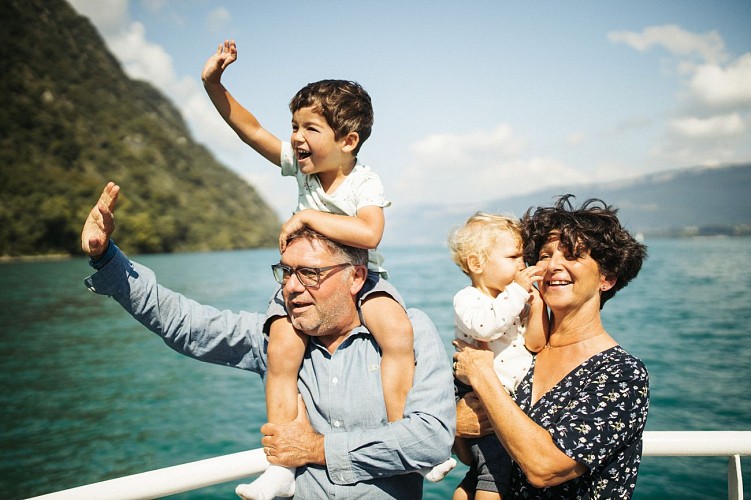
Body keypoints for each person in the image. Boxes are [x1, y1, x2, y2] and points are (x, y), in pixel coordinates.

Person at [80, 182, 455, 499]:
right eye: (286, 272)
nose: (292, 287)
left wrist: (317, 449)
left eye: (309, 273)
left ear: (356, 277)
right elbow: (185, 323)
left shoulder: (411, 331)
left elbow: (430, 439)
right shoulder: (276, 338)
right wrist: (106, 258)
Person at [200, 41, 422, 497]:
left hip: (364, 280)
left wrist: (307, 218)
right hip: (307, 278)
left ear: (347, 141)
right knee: (282, 348)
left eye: (310, 128)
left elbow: (370, 234)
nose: (297, 137)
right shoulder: (301, 170)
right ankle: (281, 466)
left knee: (398, 333)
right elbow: (251, 130)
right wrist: (213, 83)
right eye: (295, 126)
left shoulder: (364, 182)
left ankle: (405, 435)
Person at [452, 195, 649, 499]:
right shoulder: (519, 352)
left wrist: (481, 375)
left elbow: (544, 467)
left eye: (572, 255)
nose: (553, 266)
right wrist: (457, 426)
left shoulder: (621, 374)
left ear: (606, 278)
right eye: (544, 255)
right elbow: (470, 456)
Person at [447, 213, 548, 500]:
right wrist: (517, 291)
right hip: (478, 393)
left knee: (482, 472)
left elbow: (536, 343)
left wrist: (537, 306)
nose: (522, 264)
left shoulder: (514, 300)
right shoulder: (468, 299)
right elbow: (486, 327)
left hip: (504, 396)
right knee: (496, 472)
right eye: (513, 256)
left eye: (523, 257)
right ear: (476, 263)